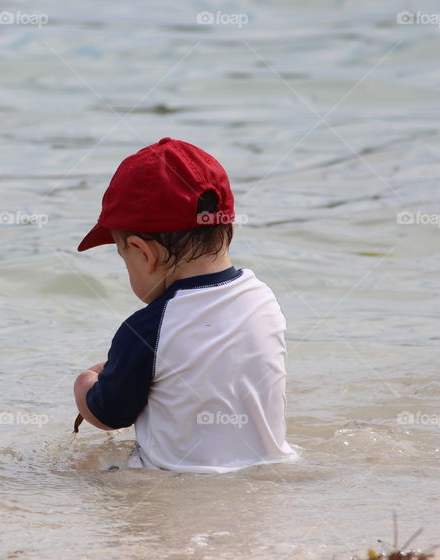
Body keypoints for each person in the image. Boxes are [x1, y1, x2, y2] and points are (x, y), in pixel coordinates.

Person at [73, 138, 298, 473]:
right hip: (269, 472)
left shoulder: (147, 329)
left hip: (179, 483)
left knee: (80, 471)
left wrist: (86, 382)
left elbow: (109, 414)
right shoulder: (263, 298)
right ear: (230, 229)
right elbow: (208, 362)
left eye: (124, 257)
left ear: (143, 253)